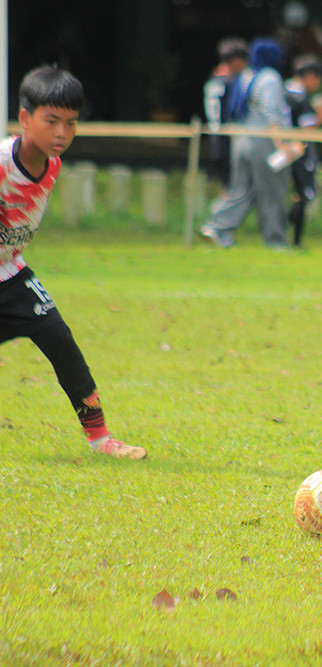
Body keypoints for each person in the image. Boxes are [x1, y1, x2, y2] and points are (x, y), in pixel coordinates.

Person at [1, 66, 146, 460]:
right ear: (26, 118)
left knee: (59, 337)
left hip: (10, 275)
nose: (62, 133)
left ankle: (101, 439)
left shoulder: (53, 164)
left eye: (71, 123)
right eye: (52, 122)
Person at [200, 37, 291, 249]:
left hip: (241, 139)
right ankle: (275, 240)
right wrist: (282, 143)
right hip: (263, 140)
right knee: (272, 191)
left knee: (240, 190)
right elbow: (272, 113)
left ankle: (216, 228)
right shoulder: (270, 77)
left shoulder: (246, 76)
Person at [285, 53, 322, 247]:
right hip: (298, 151)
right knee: (303, 194)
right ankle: (294, 239)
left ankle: (283, 231)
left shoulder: (282, 90)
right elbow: (309, 130)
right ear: (310, 76)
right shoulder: (301, 98)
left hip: (281, 147)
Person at [203, 37, 250, 189]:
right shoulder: (230, 83)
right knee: (233, 188)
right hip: (228, 137)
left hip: (216, 136)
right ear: (236, 61)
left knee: (227, 185)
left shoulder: (214, 79)